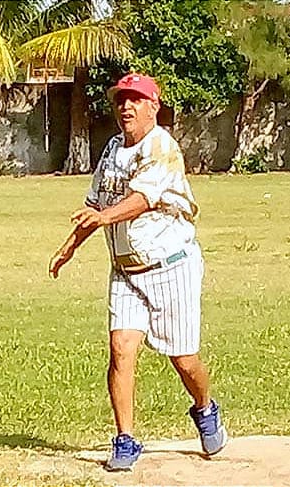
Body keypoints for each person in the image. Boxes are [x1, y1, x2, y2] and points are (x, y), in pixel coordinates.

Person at [48, 73, 227, 471]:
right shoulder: (113, 149)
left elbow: (142, 199)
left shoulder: (162, 146)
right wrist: (68, 248)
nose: (126, 107)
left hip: (171, 267)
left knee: (183, 359)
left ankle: (204, 407)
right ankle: (125, 439)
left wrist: (102, 218)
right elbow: (94, 204)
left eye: (135, 100)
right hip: (126, 271)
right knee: (120, 349)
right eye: (120, 101)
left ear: (153, 106)